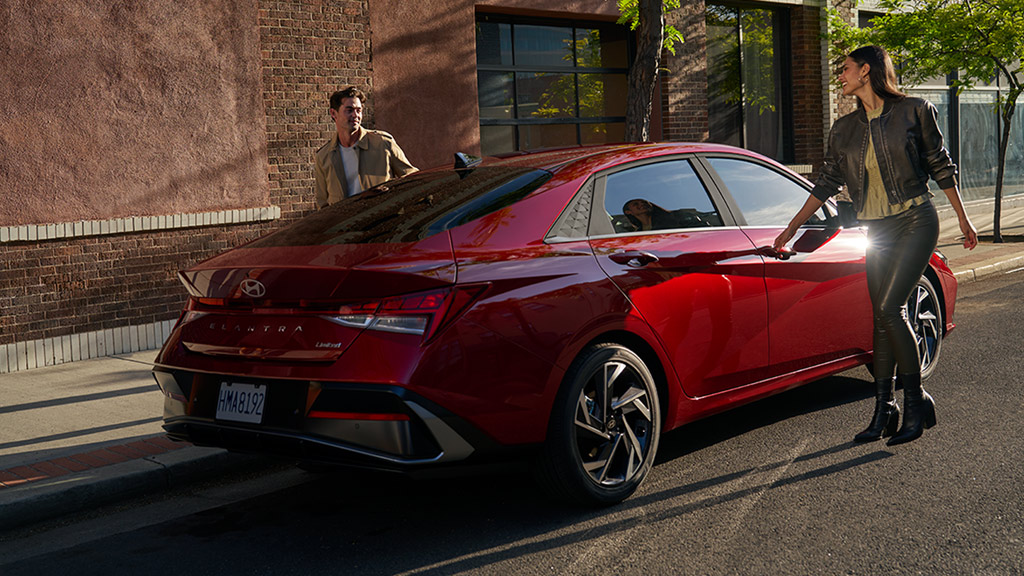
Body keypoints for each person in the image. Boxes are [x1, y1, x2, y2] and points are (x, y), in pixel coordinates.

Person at [772, 46, 978, 446]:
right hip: (876, 229)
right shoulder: (844, 128)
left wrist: (965, 219)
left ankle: (916, 401)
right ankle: (885, 409)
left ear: (866, 71)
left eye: (845, 69)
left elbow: (940, 165)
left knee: (889, 307)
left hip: (916, 220)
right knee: (879, 317)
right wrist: (792, 228)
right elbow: (828, 182)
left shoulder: (915, 111)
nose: (841, 76)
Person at [313, 86, 418, 209]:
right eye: (349, 110)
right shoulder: (324, 156)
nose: (356, 115)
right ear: (333, 113)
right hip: (347, 226)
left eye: (359, 110)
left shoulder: (382, 143)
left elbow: (411, 179)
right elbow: (323, 204)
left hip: (383, 221)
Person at [622, 198, 704, 231]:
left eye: (644, 202)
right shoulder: (638, 233)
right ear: (628, 212)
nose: (642, 204)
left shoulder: (677, 216)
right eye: (636, 204)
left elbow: (703, 230)